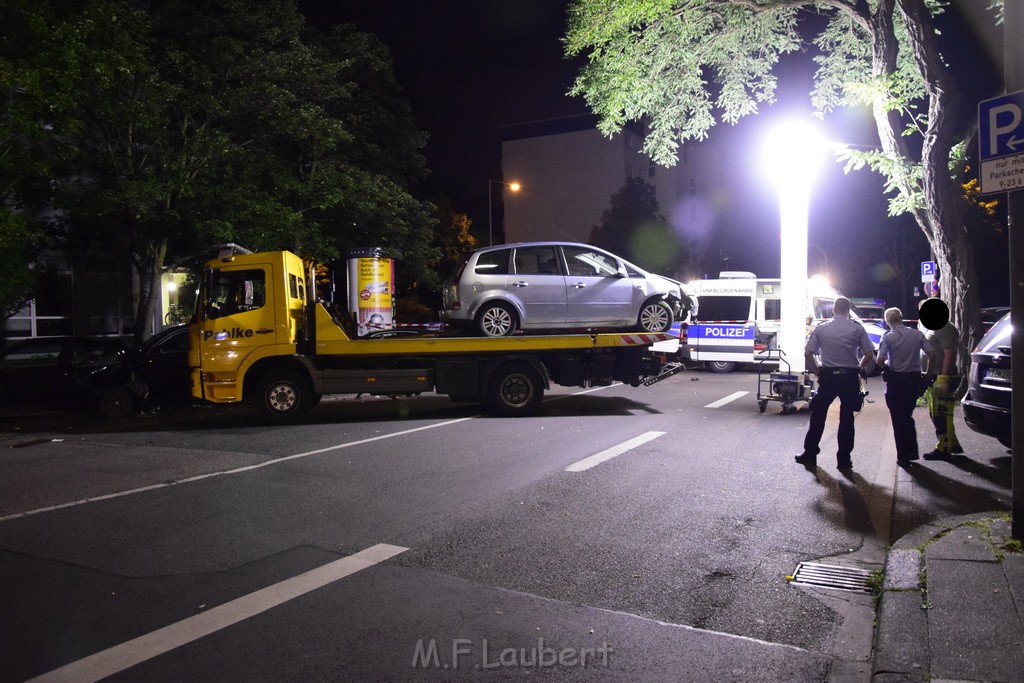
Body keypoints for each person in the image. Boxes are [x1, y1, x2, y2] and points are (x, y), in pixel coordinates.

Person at [796, 296, 876, 470]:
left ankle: (810, 454)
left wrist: (818, 371)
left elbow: (808, 353)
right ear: (848, 310)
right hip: (849, 377)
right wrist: (859, 367)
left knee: (818, 415)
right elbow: (869, 353)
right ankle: (844, 460)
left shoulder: (822, 328)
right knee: (847, 418)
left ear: (833, 309)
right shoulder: (857, 328)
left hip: (828, 377)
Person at [875, 307, 932, 465]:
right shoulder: (917, 334)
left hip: (896, 382)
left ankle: (903, 456)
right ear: (901, 318)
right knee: (907, 416)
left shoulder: (887, 337)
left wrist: (887, 365)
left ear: (888, 321)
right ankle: (912, 451)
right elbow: (931, 354)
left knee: (898, 419)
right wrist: (928, 374)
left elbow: (880, 360)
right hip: (913, 381)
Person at [918, 298, 963, 459]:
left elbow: (949, 353)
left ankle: (944, 448)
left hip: (942, 376)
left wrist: (943, 377)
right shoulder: (936, 326)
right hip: (935, 376)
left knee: (941, 414)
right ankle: (952, 443)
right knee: (936, 411)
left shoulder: (945, 328)